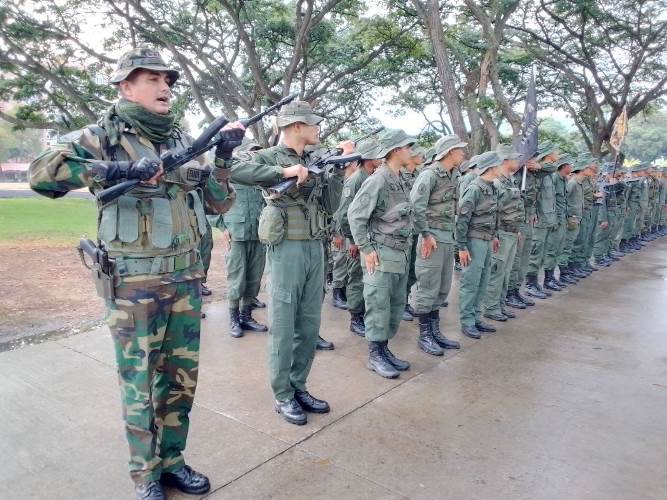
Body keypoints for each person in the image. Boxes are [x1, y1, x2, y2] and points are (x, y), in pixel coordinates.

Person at [28, 48, 241, 500]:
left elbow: (219, 204)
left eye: (168, 80)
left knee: (181, 381)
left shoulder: (181, 139)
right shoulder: (102, 134)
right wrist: (120, 168)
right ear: (125, 86)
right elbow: (42, 174)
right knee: (140, 383)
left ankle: (173, 463)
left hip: (185, 280)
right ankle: (146, 475)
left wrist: (222, 159)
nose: (165, 88)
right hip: (134, 285)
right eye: (151, 79)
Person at [231, 100, 350, 426]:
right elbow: (236, 170)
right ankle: (283, 394)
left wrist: (335, 169)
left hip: (315, 246)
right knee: (284, 325)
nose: (318, 130)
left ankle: (299, 386)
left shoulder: (315, 157)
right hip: (286, 249)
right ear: (296, 126)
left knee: (309, 324)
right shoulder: (269, 156)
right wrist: (285, 172)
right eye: (313, 124)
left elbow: (332, 204)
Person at [348, 129, 416, 379]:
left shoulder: (401, 178)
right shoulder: (378, 180)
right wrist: (366, 248)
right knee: (378, 305)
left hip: (400, 253)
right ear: (396, 151)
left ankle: (384, 349)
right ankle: (375, 354)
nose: (411, 151)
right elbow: (356, 215)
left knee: (395, 305)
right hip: (382, 254)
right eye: (407, 147)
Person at [409, 135, 465, 356]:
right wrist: (424, 233)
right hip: (431, 239)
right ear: (450, 152)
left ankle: (434, 331)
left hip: (446, 237)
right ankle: (424, 335)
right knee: (427, 287)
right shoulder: (429, 175)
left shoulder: (454, 175)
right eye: (460, 150)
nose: (463, 154)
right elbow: (415, 206)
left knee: (442, 287)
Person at [215, 139, 268, 338]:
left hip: (258, 234)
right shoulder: (230, 175)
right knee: (236, 278)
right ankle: (234, 318)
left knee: (254, 278)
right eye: (252, 151)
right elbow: (213, 201)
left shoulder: (261, 177)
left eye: (258, 152)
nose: (255, 155)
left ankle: (246, 316)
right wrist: (221, 227)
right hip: (236, 233)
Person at [332, 138, 384, 336]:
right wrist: (353, 241)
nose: (380, 157)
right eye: (377, 154)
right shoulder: (356, 180)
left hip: (368, 238)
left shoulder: (370, 176)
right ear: (368, 157)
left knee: (366, 278)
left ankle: (363, 314)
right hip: (356, 240)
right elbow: (344, 214)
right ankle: (355, 318)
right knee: (356, 278)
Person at [456, 152, 502, 339]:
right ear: (491, 167)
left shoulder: (493, 188)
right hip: (474, 241)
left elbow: (493, 215)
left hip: (487, 239)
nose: (501, 168)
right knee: (471, 282)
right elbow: (462, 220)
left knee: (483, 281)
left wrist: (495, 235)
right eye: (498, 165)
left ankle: (476, 316)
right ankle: (467, 321)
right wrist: (461, 247)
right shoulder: (474, 189)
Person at [482, 145, 523, 322]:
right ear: (505, 161)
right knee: (497, 272)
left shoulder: (510, 181)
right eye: (514, 158)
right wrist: (495, 234)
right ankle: (491, 307)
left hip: (512, 232)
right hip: (502, 232)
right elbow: (493, 210)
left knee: (506, 272)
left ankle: (499, 304)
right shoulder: (497, 182)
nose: (518, 161)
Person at [401, 144, 426, 321]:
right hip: (402, 230)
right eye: (419, 154)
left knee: (412, 269)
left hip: (415, 227)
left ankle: (405, 300)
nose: (422, 157)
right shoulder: (399, 175)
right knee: (402, 269)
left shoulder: (419, 175)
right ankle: (399, 304)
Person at [542, 156, 574, 288]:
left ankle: (551, 276)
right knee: (551, 249)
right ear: (564, 166)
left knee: (559, 248)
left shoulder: (563, 180)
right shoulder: (555, 178)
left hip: (562, 219)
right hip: (555, 220)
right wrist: (553, 219)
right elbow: (551, 200)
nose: (571, 167)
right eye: (569, 165)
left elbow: (563, 201)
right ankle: (547, 279)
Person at [557, 160, 588, 283]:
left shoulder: (579, 183)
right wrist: (570, 215)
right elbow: (564, 199)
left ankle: (569, 269)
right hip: (572, 219)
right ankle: (563, 273)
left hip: (577, 218)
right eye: (588, 168)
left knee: (572, 245)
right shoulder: (573, 183)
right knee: (567, 246)